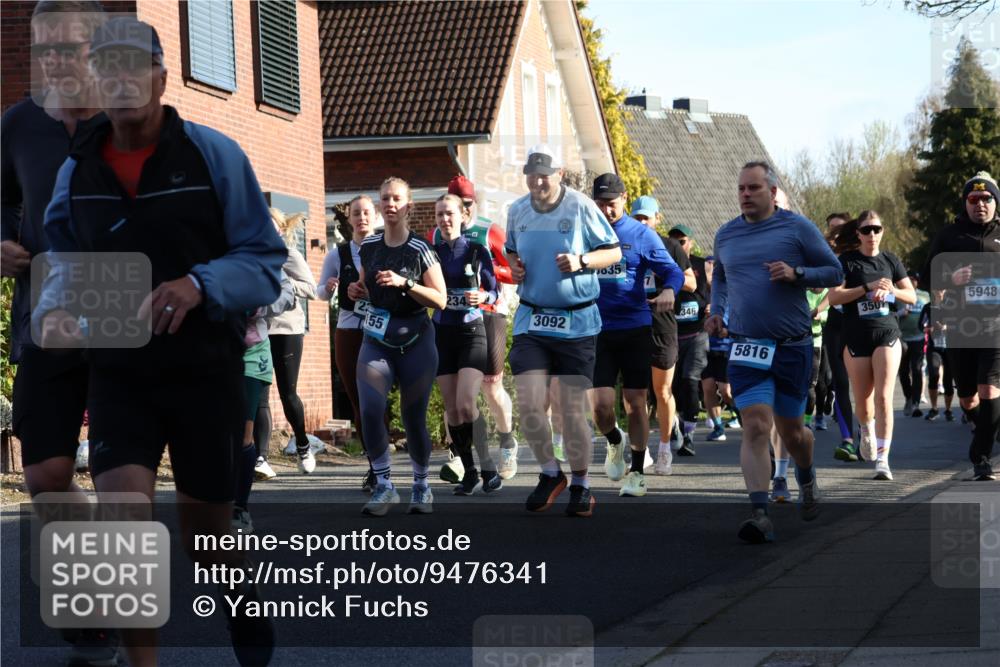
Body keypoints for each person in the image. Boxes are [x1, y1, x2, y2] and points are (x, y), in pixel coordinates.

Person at [34, 17, 286, 665]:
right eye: (107, 67)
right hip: (120, 375)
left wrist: (201, 283)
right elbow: (64, 259)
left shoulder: (212, 154)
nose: (121, 79)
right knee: (122, 524)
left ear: (160, 76)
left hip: (204, 372)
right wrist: (62, 310)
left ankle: (242, 601)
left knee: (206, 539)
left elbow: (265, 258)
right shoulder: (77, 169)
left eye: (134, 65)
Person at [0, 4, 118, 663]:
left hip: (125, 315)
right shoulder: (18, 123)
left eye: (68, 47)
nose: (53, 58)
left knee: (117, 470)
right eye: (43, 45)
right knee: (47, 470)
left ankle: (108, 618)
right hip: (45, 312)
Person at [706, 161, 843, 543]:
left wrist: (797, 274)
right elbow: (720, 277)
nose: (746, 195)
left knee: (793, 432)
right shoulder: (726, 234)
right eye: (741, 189)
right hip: (746, 344)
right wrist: (717, 312)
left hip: (792, 346)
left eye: (753, 188)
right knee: (754, 424)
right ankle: (759, 512)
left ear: (772, 191)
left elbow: (834, 273)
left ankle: (806, 473)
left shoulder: (796, 228)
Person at [505, 144, 622, 517]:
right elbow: (510, 252)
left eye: (546, 172)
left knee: (570, 411)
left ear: (560, 174)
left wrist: (582, 260)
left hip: (577, 320)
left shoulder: (581, 206)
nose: (538, 179)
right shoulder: (517, 210)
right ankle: (551, 474)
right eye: (532, 172)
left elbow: (614, 251)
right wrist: (516, 268)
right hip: (532, 317)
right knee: (528, 402)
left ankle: (582, 484)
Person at [347, 177, 447, 515]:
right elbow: (363, 285)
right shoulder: (369, 246)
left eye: (397, 199)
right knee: (371, 410)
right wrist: (356, 290)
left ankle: (421, 485)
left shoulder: (420, 249)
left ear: (409, 206)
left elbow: (441, 300)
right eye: (385, 199)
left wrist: (406, 283)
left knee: (412, 416)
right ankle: (385, 485)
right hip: (376, 339)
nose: (391, 205)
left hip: (416, 338)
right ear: (380, 205)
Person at [590, 174, 683, 497]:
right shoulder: (585, 232)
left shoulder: (641, 234)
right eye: (600, 204)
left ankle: (637, 472)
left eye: (612, 204)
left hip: (635, 327)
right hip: (597, 329)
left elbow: (672, 270)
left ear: (624, 199)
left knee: (635, 402)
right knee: (601, 407)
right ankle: (616, 442)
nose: (606, 211)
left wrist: (670, 288)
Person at [431, 176, 519, 483]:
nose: (453, 214)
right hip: (443, 328)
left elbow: (514, 271)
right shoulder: (433, 243)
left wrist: (485, 288)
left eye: (463, 206)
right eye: (442, 211)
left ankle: (505, 443)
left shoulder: (486, 234)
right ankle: (463, 463)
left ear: (470, 208)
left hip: (483, 318)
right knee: (454, 406)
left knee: (490, 386)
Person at [923, 171, 1000, 481]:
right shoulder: (949, 236)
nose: (979, 204)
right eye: (973, 199)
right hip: (961, 327)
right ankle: (988, 430)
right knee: (968, 397)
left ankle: (980, 456)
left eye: (986, 199)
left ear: (995, 202)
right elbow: (926, 277)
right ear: (965, 203)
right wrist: (950, 279)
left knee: (990, 387)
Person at [828, 211, 916, 481]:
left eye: (876, 229)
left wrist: (890, 292)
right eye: (866, 230)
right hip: (856, 336)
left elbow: (910, 296)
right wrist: (867, 287)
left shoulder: (891, 260)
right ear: (858, 234)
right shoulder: (848, 261)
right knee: (864, 402)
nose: (872, 235)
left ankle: (883, 460)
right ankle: (866, 429)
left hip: (887, 333)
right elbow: (834, 297)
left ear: (882, 231)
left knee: (884, 397)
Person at [317, 195, 378, 490]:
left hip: (382, 329)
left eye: (367, 212)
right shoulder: (337, 254)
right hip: (350, 328)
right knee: (359, 402)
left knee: (378, 398)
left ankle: (385, 463)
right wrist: (329, 288)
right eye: (357, 213)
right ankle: (374, 466)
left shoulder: (385, 248)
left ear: (374, 216)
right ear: (349, 219)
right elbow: (320, 293)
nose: (362, 218)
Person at [632, 195, 695, 474]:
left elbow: (692, 282)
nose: (642, 222)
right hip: (632, 325)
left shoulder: (670, 246)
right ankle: (640, 450)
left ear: (658, 219)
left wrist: (669, 284)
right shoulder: (621, 246)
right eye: (638, 217)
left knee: (662, 390)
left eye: (647, 217)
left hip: (663, 327)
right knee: (635, 395)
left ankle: (665, 448)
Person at [253, 208, 318, 477]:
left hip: (287, 330)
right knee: (260, 395)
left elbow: (311, 289)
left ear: (280, 229)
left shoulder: (289, 255)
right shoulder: (251, 257)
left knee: (287, 393)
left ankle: (302, 444)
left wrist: (283, 282)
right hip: (259, 330)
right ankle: (261, 458)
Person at [234, 271, 295, 533]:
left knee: (243, 433)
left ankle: (239, 508)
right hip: (211, 348)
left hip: (251, 350)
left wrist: (259, 304)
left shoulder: (257, 247)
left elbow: (287, 292)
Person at [668, 223, 711, 453]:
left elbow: (712, 291)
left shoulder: (702, 265)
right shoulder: (661, 263)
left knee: (690, 381)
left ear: (690, 242)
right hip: (671, 334)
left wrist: (712, 305)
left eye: (681, 241)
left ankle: (689, 436)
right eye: (673, 241)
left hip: (697, 333)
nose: (677, 245)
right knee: (670, 388)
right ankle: (675, 424)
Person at [823, 213, 861, 461]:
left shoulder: (864, 257)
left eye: (839, 230)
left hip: (860, 325)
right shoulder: (825, 258)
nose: (835, 236)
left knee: (863, 387)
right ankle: (847, 440)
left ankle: (867, 435)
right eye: (831, 232)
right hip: (835, 326)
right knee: (840, 383)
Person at [898, 272, 930, 417]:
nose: (911, 282)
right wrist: (900, 313)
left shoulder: (924, 295)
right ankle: (908, 398)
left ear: (917, 282)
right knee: (903, 371)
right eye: (908, 280)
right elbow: (887, 312)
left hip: (918, 337)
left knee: (917, 370)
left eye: (914, 280)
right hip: (901, 338)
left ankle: (916, 403)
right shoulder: (897, 294)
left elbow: (932, 311)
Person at [920, 289, 955, 422]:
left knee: (948, 380)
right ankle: (934, 409)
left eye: (942, 289)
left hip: (950, 347)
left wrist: (947, 326)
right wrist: (928, 329)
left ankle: (948, 409)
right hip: (934, 346)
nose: (939, 292)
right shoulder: (928, 307)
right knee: (934, 375)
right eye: (936, 289)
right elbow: (920, 325)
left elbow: (961, 322)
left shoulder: (952, 305)